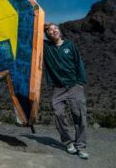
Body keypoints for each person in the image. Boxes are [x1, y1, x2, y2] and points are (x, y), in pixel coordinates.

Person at [43, 23, 89, 159]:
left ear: (60, 31)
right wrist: (41, 24)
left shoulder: (70, 45)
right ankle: (68, 142)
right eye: (50, 30)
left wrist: (80, 83)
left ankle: (81, 146)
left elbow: (78, 63)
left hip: (74, 86)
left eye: (55, 28)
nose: (53, 31)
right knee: (58, 114)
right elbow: (32, 35)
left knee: (80, 116)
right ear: (47, 34)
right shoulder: (46, 47)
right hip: (58, 88)